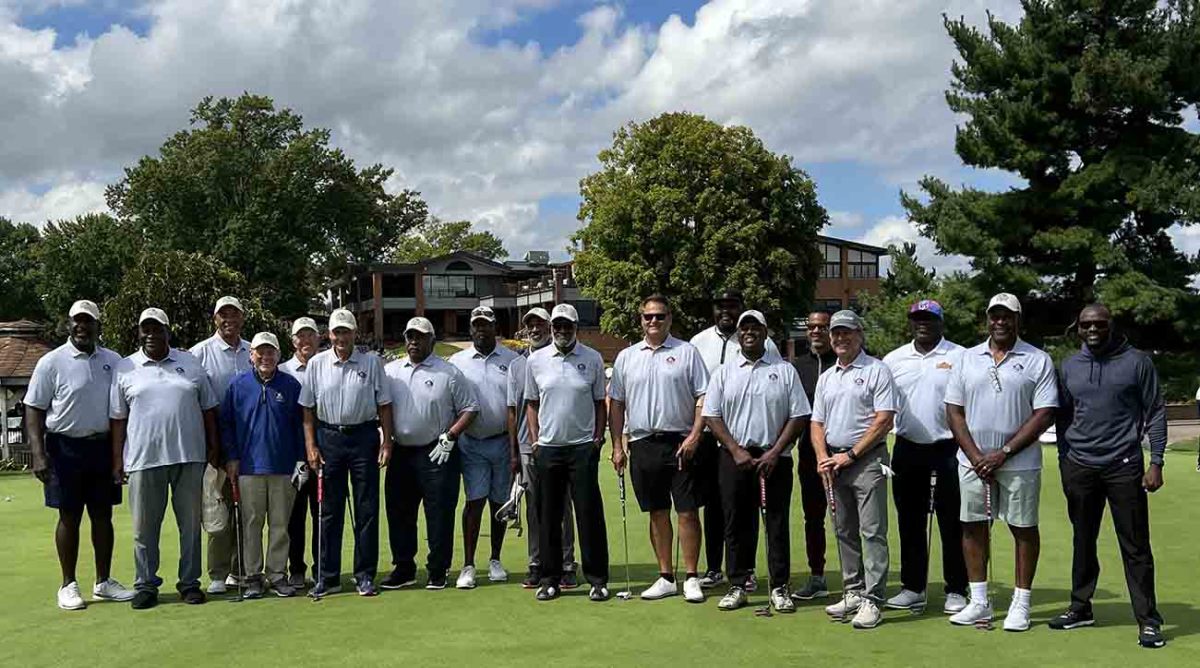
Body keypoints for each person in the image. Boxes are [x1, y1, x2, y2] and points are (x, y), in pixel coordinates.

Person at [1051, 304, 1166, 648]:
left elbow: (1155, 412)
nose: (1093, 330)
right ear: (1078, 327)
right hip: (1080, 466)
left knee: (1135, 546)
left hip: (1124, 464)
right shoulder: (1069, 365)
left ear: (1111, 325)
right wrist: (1064, 459)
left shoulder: (1137, 362)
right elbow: (1063, 417)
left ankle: (1148, 620)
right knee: (1082, 540)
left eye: (1099, 324)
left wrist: (1156, 461)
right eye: (1086, 325)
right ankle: (1080, 607)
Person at [945, 293, 1057, 632]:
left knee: (1023, 529)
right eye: (995, 315)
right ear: (987, 319)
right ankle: (979, 601)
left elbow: (1045, 413)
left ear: (1017, 320)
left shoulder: (1038, 359)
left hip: (1019, 461)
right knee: (973, 526)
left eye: (1007, 316)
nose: (1000, 321)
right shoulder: (966, 358)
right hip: (972, 461)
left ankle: (1021, 603)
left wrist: (1003, 452)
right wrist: (977, 456)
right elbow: (954, 411)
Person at [26, 300, 134, 610]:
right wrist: (38, 453)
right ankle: (68, 584)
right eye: (76, 321)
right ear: (69, 324)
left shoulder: (114, 361)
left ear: (98, 326)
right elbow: (34, 407)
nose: (81, 326)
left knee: (103, 515)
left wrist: (120, 455)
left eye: (87, 321)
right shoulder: (51, 361)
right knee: (69, 515)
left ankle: (103, 582)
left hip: (102, 446)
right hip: (64, 447)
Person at [110, 308, 220, 609]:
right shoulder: (125, 367)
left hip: (190, 457)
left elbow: (208, 408)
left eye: (157, 329)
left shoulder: (190, 362)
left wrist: (213, 446)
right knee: (144, 528)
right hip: (144, 460)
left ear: (168, 332)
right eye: (145, 329)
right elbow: (118, 419)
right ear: (139, 333)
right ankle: (146, 584)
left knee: (190, 526)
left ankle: (189, 583)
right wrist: (117, 460)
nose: (151, 334)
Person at [703, 309, 809, 613]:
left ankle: (779, 586)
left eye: (755, 327)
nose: (749, 332)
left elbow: (799, 415)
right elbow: (711, 415)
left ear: (765, 333)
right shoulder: (724, 372)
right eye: (744, 328)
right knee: (736, 523)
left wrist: (775, 451)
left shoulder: (784, 370)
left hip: (775, 459)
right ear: (738, 334)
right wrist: (736, 450)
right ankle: (738, 583)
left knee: (776, 523)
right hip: (734, 459)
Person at [609, 295, 709, 603]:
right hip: (642, 442)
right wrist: (617, 445)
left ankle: (691, 577)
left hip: (680, 441)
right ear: (640, 320)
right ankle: (666, 575)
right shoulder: (627, 357)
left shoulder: (687, 352)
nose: (654, 321)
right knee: (657, 511)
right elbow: (617, 404)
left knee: (688, 511)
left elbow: (703, 398)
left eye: (660, 316)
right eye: (648, 317)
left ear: (669, 319)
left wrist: (694, 436)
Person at [299, 308, 394, 597]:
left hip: (364, 436)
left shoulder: (371, 362)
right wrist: (311, 446)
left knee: (366, 508)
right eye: (336, 331)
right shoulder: (316, 364)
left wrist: (387, 442)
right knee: (329, 510)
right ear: (329, 335)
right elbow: (307, 409)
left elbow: (384, 405)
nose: (341, 337)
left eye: (346, 331)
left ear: (355, 334)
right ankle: (328, 576)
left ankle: (364, 574)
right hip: (329, 437)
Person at [811, 310, 896, 629]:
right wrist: (823, 457)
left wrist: (850, 454)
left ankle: (873, 600)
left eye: (847, 332)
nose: (840, 338)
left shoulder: (877, 370)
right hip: (833, 462)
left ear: (859, 334)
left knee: (872, 531)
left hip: (867, 460)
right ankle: (853, 591)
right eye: (836, 333)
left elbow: (883, 420)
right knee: (844, 529)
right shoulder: (827, 377)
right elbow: (816, 423)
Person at [882, 300, 968, 614]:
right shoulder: (893, 359)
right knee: (909, 521)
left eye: (929, 319)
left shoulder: (960, 356)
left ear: (940, 323)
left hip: (949, 447)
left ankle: (957, 588)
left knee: (952, 521)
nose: (923, 324)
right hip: (907, 446)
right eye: (917, 319)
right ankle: (913, 587)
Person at [689, 290, 779, 590]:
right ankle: (714, 567)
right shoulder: (698, 343)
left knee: (745, 506)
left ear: (741, 310)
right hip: (708, 436)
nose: (726, 312)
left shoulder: (765, 344)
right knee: (714, 504)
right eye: (720, 306)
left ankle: (746, 569)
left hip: (747, 439)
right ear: (713, 309)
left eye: (732, 307)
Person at [383, 317, 478, 591]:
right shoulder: (391, 371)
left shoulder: (448, 372)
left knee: (439, 512)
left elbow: (470, 408)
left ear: (431, 341)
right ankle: (404, 568)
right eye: (410, 336)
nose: (414, 341)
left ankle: (438, 570)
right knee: (399, 512)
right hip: (401, 452)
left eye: (420, 337)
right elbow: (382, 407)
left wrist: (451, 435)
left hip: (437, 452)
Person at [524, 303, 610, 602]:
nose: (561, 331)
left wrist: (598, 438)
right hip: (548, 448)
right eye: (557, 326)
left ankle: (597, 579)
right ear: (552, 328)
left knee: (589, 514)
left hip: (582, 447)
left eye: (567, 326)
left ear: (576, 328)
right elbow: (532, 404)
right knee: (549, 516)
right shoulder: (536, 361)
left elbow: (601, 402)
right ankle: (550, 579)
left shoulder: (593, 358)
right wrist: (535, 441)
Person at [219, 332, 306, 598]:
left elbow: (301, 426)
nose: (265, 357)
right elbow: (227, 425)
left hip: (283, 467)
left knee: (280, 525)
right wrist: (231, 457)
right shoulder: (237, 385)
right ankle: (253, 576)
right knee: (251, 524)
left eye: (271, 352)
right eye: (261, 352)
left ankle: (277, 574)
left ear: (279, 356)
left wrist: (301, 460)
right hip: (248, 468)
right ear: (251, 355)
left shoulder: (291, 385)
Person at [508, 308, 579, 589]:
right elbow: (513, 410)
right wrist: (514, 452)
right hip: (527, 447)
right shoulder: (516, 366)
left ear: (550, 326)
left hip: (556, 444)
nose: (535, 329)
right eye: (530, 325)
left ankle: (566, 562)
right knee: (534, 509)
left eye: (540, 324)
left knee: (563, 507)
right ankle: (536, 562)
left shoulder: (555, 358)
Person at [449, 306, 519, 589]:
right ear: (470, 329)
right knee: (475, 501)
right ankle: (468, 564)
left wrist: (516, 449)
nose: (481, 330)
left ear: (495, 328)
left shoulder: (512, 360)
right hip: (471, 442)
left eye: (486, 325)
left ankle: (495, 559)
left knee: (499, 502)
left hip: (502, 441)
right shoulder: (457, 361)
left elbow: (516, 405)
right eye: (476, 325)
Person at [189, 295, 252, 595]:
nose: (229, 319)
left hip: (249, 443)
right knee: (218, 507)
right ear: (215, 319)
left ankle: (241, 570)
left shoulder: (254, 351)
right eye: (223, 314)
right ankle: (218, 572)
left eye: (234, 314)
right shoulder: (199, 353)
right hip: (212, 443)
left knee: (246, 508)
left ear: (242, 318)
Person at [789, 310, 837, 601]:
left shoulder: (844, 362)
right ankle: (817, 576)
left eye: (823, 327)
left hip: (845, 454)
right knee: (813, 517)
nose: (817, 332)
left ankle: (856, 581)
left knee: (848, 519)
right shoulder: (797, 367)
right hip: (808, 453)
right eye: (812, 327)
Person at [280, 316, 320, 590]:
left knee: (323, 513)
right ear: (292, 340)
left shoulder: (327, 366)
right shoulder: (283, 370)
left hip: (324, 453)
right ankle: (296, 569)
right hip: (293, 456)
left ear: (319, 338)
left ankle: (322, 567)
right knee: (294, 517)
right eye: (300, 336)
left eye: (310, 335)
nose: (305, 341)